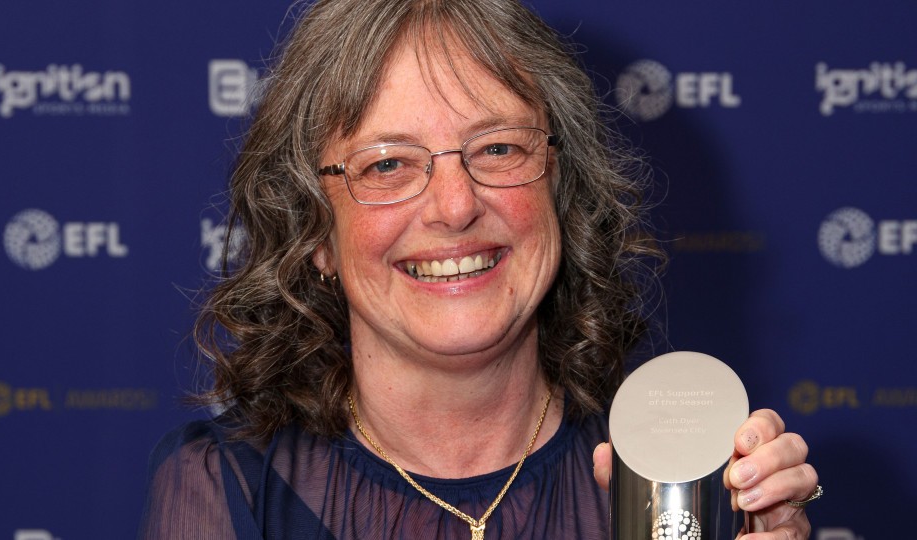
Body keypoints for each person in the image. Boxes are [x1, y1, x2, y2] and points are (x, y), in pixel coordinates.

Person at [140, 0, 820, 538]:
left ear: (561, 185)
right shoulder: (227, 486)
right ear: (314, 228)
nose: (456, 205)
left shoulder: (674, 487)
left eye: (496, 148)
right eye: (386, 163)